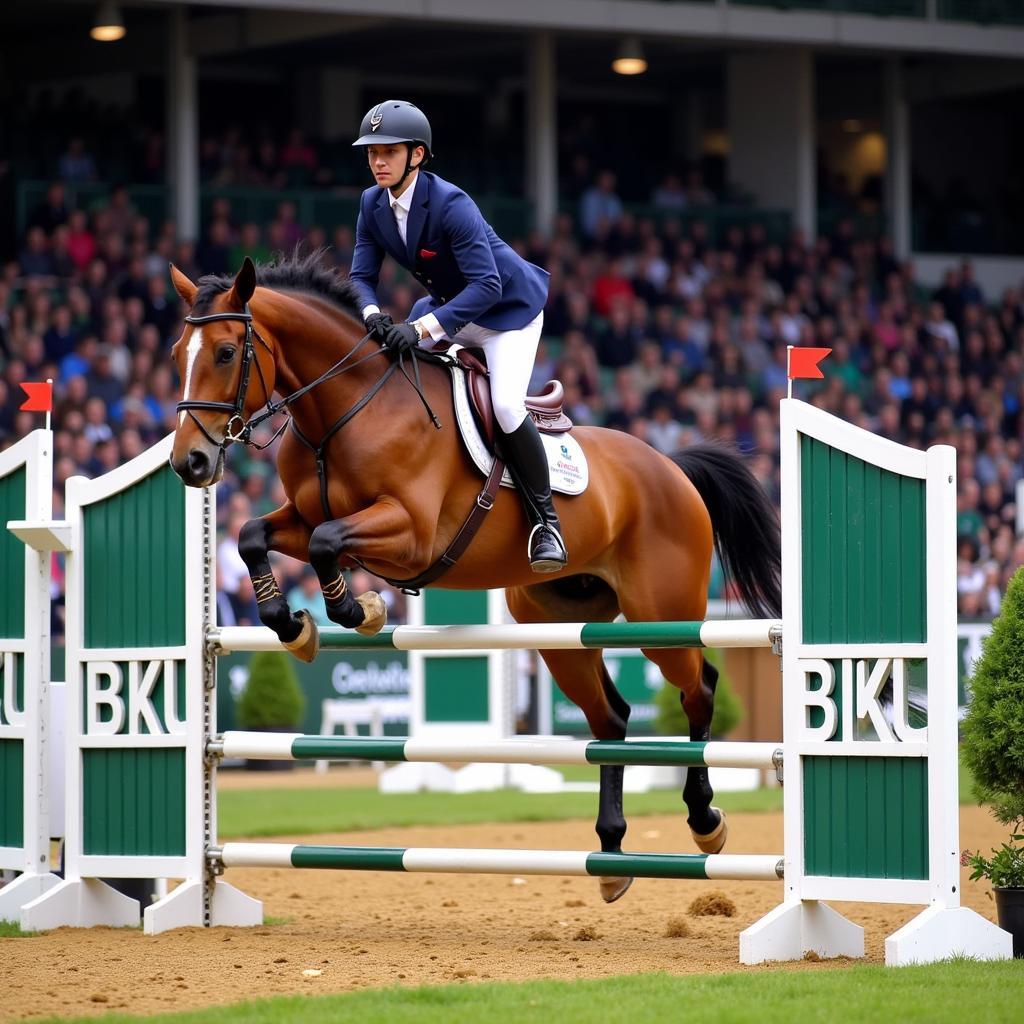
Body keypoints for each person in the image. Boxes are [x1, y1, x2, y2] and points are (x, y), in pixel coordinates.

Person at [348, 99, 566, 572]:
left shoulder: (451, 203)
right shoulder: (371, 204)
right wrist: (372, 315)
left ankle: (546, 523)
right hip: (451, 310)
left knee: (508, 405)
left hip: (508, 314)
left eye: (388, 152)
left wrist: (422, 326)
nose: (378, 162)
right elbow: (361, 275)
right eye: (371, 153)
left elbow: (487, 285)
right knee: (386, 367)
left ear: (418, 155)